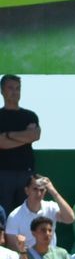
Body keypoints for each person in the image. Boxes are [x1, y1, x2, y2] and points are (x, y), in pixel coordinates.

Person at [0, 74, 40, 209]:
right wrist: (25, 137)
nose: (15, 92)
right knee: (4, 214)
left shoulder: (29, 115)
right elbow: (1, 143)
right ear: (2, 91)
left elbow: (34, 136)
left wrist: (8, 135)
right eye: (10, 88)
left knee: (26, 212)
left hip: (26, 173)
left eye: (18, 88)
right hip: (3, 173)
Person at [4, 174, 73, 252]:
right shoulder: (14, 216)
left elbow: (70, 219)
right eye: (35, 189)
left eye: (42, 190)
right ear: (27, 191)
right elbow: (12, 247)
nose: (39, 194)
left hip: (51, 257)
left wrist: (53, 191)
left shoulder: (52, 207)